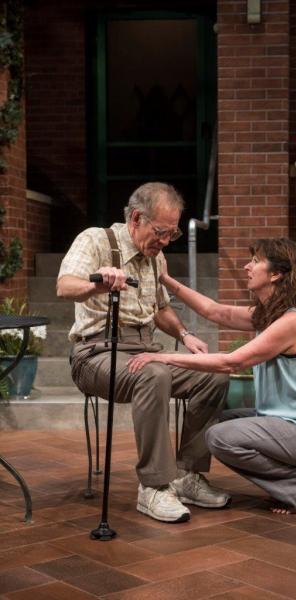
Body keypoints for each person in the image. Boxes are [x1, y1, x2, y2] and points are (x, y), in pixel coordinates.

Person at [127, 238, 296, 514]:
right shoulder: (269, 315)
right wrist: (167, 280)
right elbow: (215, 311)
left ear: (275, 274)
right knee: (215, 421)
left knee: (220, 436)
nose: (247, 266)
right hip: (284, 420)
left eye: (255, 261)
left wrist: (162, 356)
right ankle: (285, 475)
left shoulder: (291, 321)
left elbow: (231, 362)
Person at [57, 182, 231, 524]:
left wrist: (185, 334)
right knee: (154, 373)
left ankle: (186, 476)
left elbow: (161, 309)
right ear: (137, 218)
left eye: (173, 234)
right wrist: (97, 283)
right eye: (161, 232)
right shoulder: (95, 240)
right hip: (95, 353)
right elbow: (64, 286)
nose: (166, 241)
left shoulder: (156, 257)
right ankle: (153, 486)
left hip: (144, 348)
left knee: (213, 373)